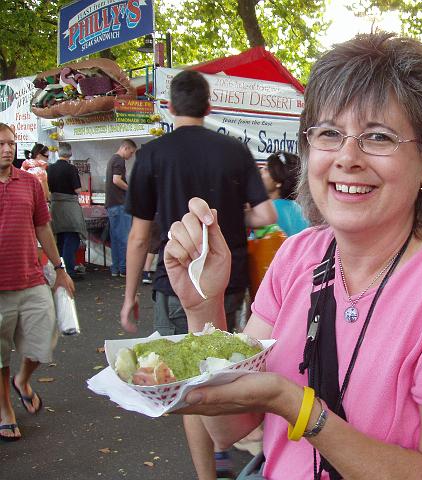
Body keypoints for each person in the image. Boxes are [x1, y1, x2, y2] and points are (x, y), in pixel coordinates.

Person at [163, 34, 422, 480]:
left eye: (378, 136)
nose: (347, 158)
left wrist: (295, 406)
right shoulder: (296, 257)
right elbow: (228, 428)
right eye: (330, 133)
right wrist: (204, 305)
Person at [120, 69, 276, 480]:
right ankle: (224, 440)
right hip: (231, 278)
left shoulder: (152, 155)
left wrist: (129, 294)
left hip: (175, 282)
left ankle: (208, 472)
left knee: (188, 383)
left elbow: (138, 237)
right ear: (209, 107)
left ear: (171, 106)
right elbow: (265, 214)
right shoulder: (234, 150)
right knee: (219, 362)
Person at [0, 123, 74, 441]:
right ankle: (5, 410)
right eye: (1, 143)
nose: (7, 148)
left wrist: (60, 269)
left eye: (11, 143)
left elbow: (43, 227)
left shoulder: (29, 183)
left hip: (31, 279)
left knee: (43, 342)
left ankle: (23, 380)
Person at [47, 142, 87, 280]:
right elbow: (77, 190)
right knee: (72, 238)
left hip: (55, 206)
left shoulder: (50, 168)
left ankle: (59, 270)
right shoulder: (71, 169)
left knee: (60, 239)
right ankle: (69, 270)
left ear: (58, 153)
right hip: (69, 207)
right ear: (70, 153)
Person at [105, 139, 137, 277]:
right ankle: (124, 269)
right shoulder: (119, 160)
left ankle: (116, 268)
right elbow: (116, 179)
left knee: (116, 238)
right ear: (125, 148)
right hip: (120, 203)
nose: (131, 156)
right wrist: (130, 190)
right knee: (125, 238)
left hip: (111, 204)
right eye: (131, 152)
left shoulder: (111, 159)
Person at [260, 151, 309, 236]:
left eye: (266, 169)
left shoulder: (267, 212)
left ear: (278, 181)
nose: (261, 171)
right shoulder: (300, 210)